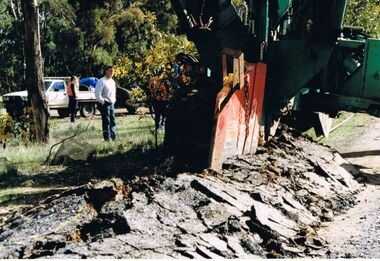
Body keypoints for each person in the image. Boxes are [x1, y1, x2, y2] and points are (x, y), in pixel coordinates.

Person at [95, 65, 117, 141]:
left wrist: (114, 100)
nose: (112, 72)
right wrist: (102, 101)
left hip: (112, 104)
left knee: (113, 121)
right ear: (106, 71)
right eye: (110, 71)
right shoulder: (102, 81)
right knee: (106, 121)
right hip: (105, 104)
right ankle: (107, 138)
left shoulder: (112, 81)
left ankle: (114, 137)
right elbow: (97, 93)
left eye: (113, 71)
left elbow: (113, 93)